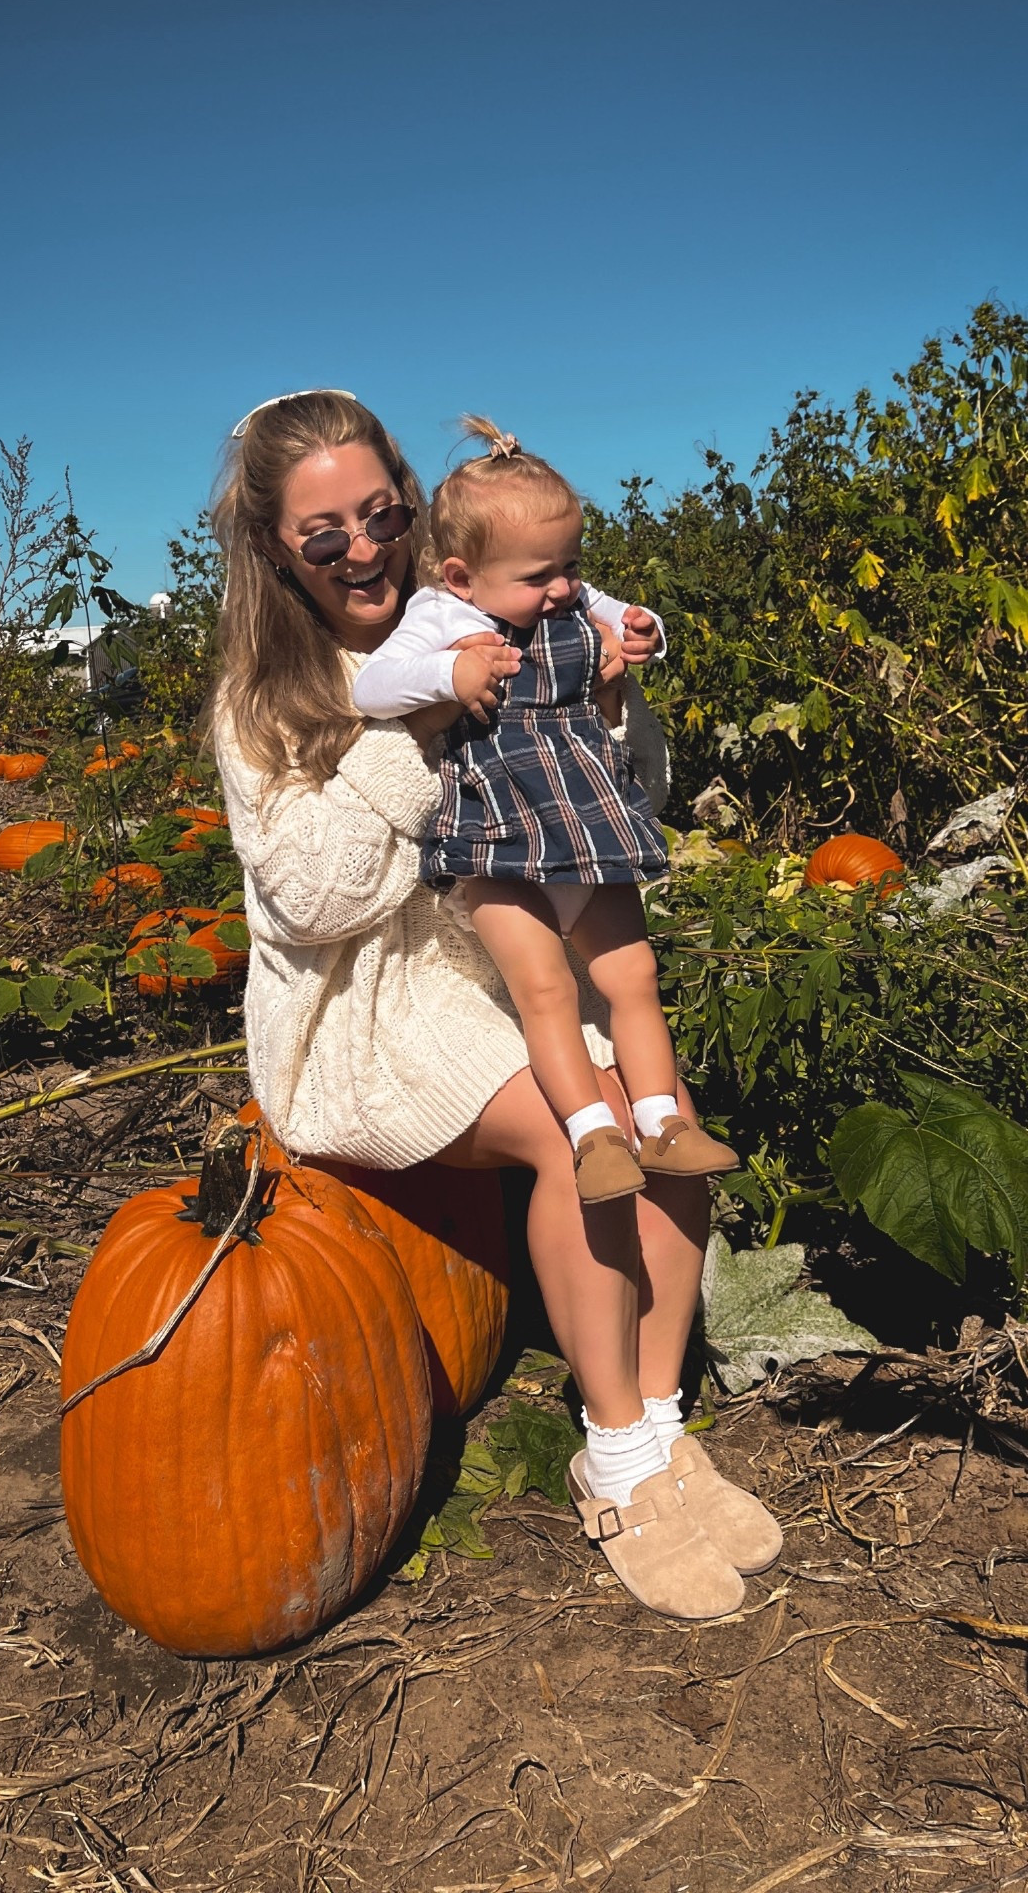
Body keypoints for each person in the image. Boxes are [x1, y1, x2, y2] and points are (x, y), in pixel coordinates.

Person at [207, 389, 781, 1620]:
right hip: (366, 1011)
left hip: (505, 972)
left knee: (665, 1128)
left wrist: (605, 694)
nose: (364, 548)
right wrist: (425, 723)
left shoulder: (500, 602)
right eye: (324, 534)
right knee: (582, 1139)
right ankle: (611, 1458)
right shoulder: (266, 699)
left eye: (381, 514)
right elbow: (316, 899)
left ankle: (663, 1426)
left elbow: (631, 797)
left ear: (414, 506)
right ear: (273, 548)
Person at [351, 415, 738, 1207]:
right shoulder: (440, 618)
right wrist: (449, 678)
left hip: (586, 816)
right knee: (547, 990)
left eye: (571, 565)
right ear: (462, 577)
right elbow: (372, 688)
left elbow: (632, 618)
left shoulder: (572, 598)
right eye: (539, 577)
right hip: (497, 837)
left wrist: (644, 633)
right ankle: (592, 1135)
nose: (563, 588)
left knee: (634, 974)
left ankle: (663, 1123)